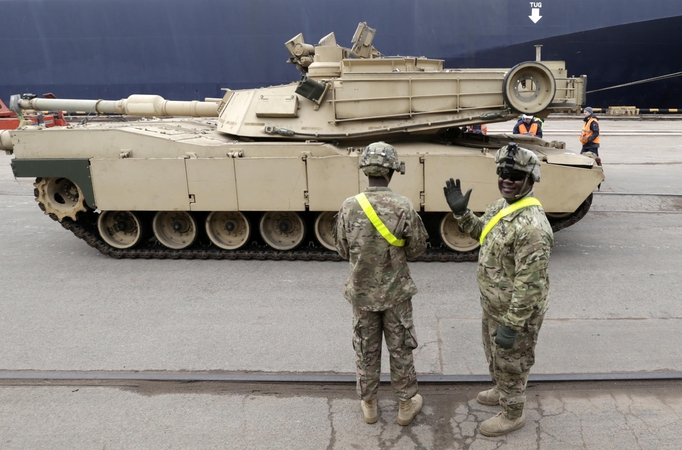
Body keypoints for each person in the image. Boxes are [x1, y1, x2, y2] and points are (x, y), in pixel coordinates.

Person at [442, 142, 553, 437]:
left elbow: (530, 285)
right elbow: (481, 232)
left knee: (512, 361)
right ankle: (501, 389)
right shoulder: (501, 207)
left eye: (515, 175)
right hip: (494, 304)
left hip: (514, 313)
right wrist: (462, 213)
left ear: (530, 180)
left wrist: (513, 325)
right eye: (503, 172)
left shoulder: (532, 227)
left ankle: (512, 413)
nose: (507, 179)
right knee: (495, 356)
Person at [334, 141, 429, 426]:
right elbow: (416, 249)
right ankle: (404, 405)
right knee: (400, 349)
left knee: (366, 348)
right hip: (396, 293)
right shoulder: (403, 206)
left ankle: (370, 405)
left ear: (365, 169)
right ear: (392, 170)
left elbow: (341, 248)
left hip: (362, 295)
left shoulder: (349, 206)